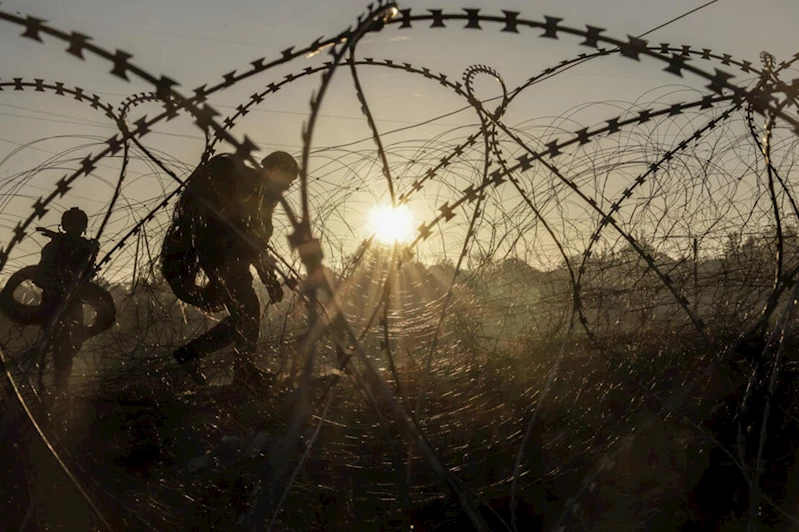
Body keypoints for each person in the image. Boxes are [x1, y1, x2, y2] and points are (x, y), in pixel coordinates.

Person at [165, 151, 298, 387]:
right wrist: (268, 279)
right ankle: (243, 374)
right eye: (286, 181)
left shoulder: (255, 188)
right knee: (248, 310)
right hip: (224, 257)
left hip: (222, 256)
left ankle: (192, 354)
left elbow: (256, 242)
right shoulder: (252, 187)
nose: (286, 188)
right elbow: (255, 239)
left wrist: (269, 278)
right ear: (275, 171)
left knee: (242, 315)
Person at [33, 207, 99, 395]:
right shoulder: (53, 248)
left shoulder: (87, 247)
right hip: (53, 302)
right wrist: (56, 284)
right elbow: (39, 277)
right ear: (64, 225)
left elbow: (87, 269)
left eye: (78, 224)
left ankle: (60, 385)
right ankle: (58, 387)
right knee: (59, 345)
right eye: (71, 224)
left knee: (71, 344)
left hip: (73, 302)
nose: (75, 228)